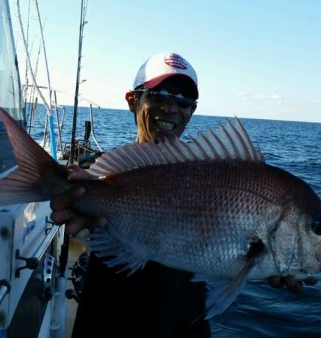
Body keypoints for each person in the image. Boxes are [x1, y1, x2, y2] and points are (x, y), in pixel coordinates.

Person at [51, 52, 210, 338]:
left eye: (184, 100)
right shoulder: (101, 176)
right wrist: (75, 206)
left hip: (186, 327)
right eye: (159, 94)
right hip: (110, 322)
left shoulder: (207, 182)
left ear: (191, 111)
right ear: (132, 101)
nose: (171, 107)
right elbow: (77, 197)